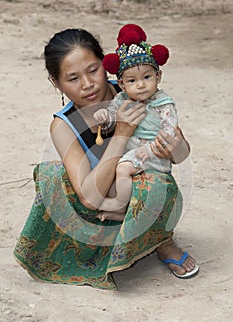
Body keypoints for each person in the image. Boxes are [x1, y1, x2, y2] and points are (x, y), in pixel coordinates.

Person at [13, 26, 199, 290]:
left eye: (92, 70)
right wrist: (121, 135)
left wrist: (177, 145)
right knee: (53, 175)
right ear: (57, 83)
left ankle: (161, 241)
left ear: (107, 65)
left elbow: (178, 157)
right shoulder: (64, 125)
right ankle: (109, 246)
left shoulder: (134, 87)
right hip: (98, 211)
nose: (88, 84)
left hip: (140, 198)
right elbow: (89, 197)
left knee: (154, 182)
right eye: (73, 78)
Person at [94, 24, 178, 222]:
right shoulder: (122, 99)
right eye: (132, 81)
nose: (140, 85)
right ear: (121, 83)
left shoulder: (163, 103)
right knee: (115, 171)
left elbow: (169, 131)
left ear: (158, 76)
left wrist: (149, 150)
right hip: (132, 152)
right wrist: (105, 117)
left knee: (123, 169)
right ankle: (127, 205)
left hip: (153, 155)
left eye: (147, 77)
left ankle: (120, 208)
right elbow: (114, 116)